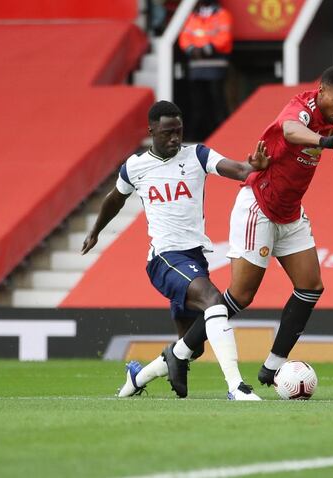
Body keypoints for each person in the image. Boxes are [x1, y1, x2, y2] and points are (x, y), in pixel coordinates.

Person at [82, 100, 270, 401]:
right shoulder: (135, 167)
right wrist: (95, 231)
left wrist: (252, 168)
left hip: (194, 258)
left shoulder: (197, 155)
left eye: (178, 132)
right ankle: (237, 387)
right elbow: (114, 199)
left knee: (191, 347)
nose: (174, 139)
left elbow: (236, 168)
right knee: (214, 301)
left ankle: (137, 377)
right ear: (151, 130)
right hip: (164, 259)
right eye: (167, 132)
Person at [222, 66, 333, 387]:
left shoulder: (328, 118)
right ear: (321, 90)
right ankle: (181, 350)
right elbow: (291, 131)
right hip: (260, 203)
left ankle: (272, 367)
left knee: (311, 286)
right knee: (241, 296)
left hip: (290, 211)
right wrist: (326, 142)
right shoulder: (301, 108)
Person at [178, 0, 232, 141]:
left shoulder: (221, 14)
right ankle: (201, 135)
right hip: (196, 67)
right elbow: (185, 37)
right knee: (198, 104)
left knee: (217, 102)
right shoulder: (193, 16)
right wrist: (191, 49)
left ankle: (223, 135)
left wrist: (206, 48)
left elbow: (224, 37)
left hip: (216, 65)